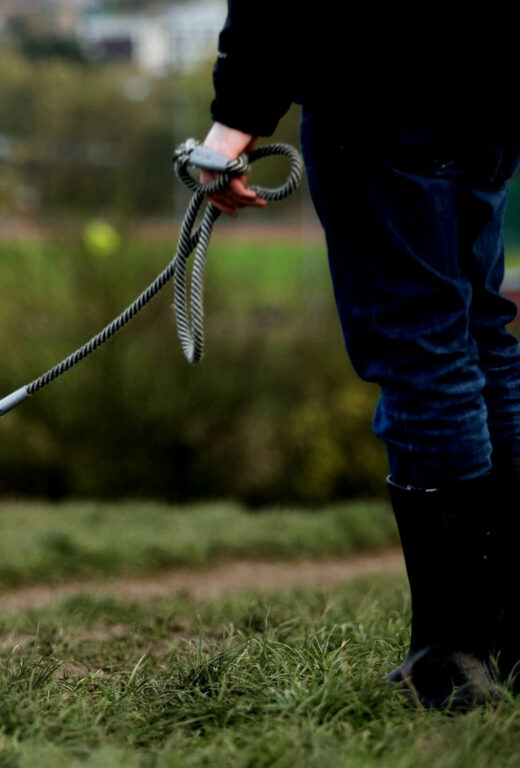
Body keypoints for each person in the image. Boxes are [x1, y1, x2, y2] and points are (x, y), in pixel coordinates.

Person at [201, 2, 520, 709]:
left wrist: (236, 117)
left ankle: (454, 657)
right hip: (493, 80)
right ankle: (501, 638)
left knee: (423, 346)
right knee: (481, 337)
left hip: (376, 74)